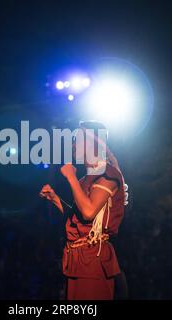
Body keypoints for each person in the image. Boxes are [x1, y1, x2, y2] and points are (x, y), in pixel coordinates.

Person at [40, 121, 128, 300]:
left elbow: (89, 212)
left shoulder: (108, 174)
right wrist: (55, 199)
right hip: (78, 261)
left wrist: (71, 177)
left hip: (93, 260)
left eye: (77, 139)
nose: (73, 144)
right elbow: (79, 217)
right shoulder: (84, 180)